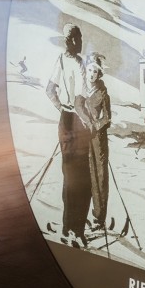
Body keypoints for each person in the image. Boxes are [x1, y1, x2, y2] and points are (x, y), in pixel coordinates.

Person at [45, 23, 91, 245]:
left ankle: (68, 226)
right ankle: (77, 230)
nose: (81, 42)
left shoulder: (60, 60)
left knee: (69, 176)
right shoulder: (79, 64)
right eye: (79, 38)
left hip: (65, 121)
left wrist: (61, 109)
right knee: (83, 180)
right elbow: (80, 102)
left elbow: (49, 90)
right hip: (77, 123)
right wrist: (89, 122)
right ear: (73, 40)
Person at [81, 54, 111, 231]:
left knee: (99, 178)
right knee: (85, 176)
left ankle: (99, 218)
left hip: (98, 141)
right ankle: (82, 215)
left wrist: (96, 126)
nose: (92, 74)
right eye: (90, 70)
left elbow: (107, 118)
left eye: (95, 72)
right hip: (83, 138)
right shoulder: (82, 89)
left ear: (99, 74)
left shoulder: (103, 93)